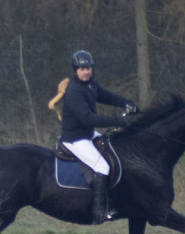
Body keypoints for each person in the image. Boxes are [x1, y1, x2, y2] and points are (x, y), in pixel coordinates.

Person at [59, 50, 138, 223]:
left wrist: (127, 103)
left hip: (87, 134)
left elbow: (106, 96)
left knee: (114, 153)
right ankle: (99, 211)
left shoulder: (90, 85)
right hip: (75, 138)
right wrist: (117, 120)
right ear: (75, 70)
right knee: (103, 167)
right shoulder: (74, 91)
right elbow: (88, 119)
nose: (86, 71)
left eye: (88, 68)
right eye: (81, 69)